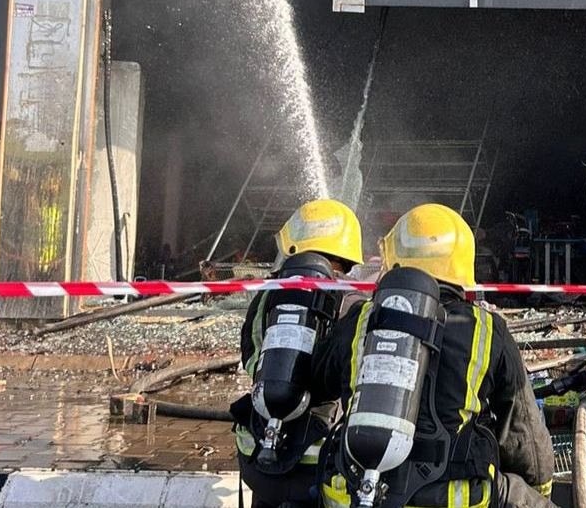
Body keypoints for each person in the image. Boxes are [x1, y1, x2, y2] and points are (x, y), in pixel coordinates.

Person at [312, 203, 556, 508]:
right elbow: (524, 436)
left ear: (395, 261)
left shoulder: (360, 321)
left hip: (360, 493)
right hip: (455, 497)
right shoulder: (486, 330)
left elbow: (317, 381)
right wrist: (540, 489)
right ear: (460, 266)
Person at [232, 198, 364, 508]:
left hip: (261, 452)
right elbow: (357, 378)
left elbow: (252, 360)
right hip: (322, 463)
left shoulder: (270, 295)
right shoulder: (354, 302)